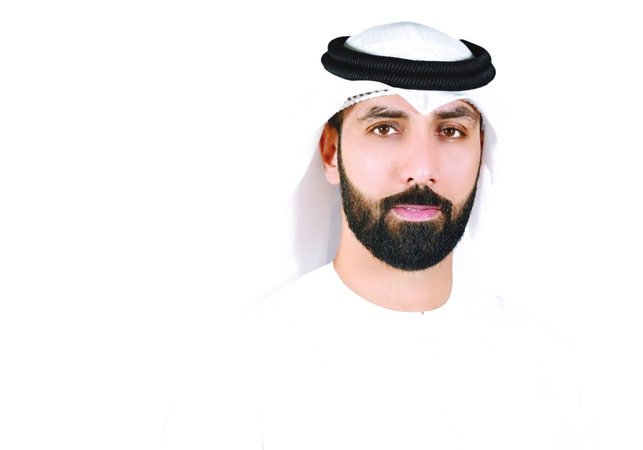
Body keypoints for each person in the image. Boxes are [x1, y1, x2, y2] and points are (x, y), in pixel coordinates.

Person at [162, 22, 592, 449]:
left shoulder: (550, 365)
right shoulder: (239, 377)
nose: (421, 169)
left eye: (451, 131)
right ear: (331, 153)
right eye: (385, 128)